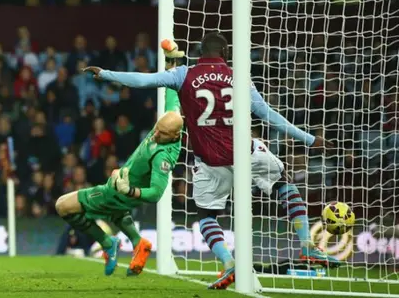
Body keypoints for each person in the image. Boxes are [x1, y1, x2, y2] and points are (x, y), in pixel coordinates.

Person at [83, 32, 340, 289]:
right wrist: (309, 139)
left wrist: (106, 74)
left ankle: (228, 264)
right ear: (226, 53)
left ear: (199, 54)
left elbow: (144, 80)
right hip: (246, 152)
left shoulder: (184, 74)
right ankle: (307, 246)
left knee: (206, 216)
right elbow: (269, 115)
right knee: (284, 185)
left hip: (210, 162)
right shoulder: (239, 78)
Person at [56, 81, 182, 277]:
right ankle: (138, 243)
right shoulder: (171, 123)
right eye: (157, 128)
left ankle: (107, 243)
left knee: (62, 206)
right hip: (120, 187)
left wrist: (128, 190)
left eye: (162, 133)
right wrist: (171, 64)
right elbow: (172, 98)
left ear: (174, 135)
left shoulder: (163, 157)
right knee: (115, 211)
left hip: (120, 191)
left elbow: (156, 193)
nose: (155, 134)